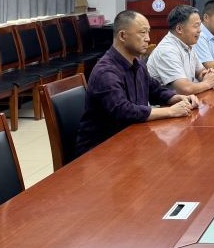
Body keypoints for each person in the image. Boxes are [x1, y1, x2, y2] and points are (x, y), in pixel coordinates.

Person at [75, 10, 198, 156]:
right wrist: (170, 111)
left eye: (148, 32)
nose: (148, 38)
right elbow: (123, 111)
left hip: (130, 140)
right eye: (142, 32)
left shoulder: (137, 63)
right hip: (100, 151)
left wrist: (177, 98)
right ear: (122, 36)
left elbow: (154, 90)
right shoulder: (106, 72)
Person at [147, 5, 214, 95]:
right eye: (196, 26)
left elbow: (200, 72)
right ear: (179, 29)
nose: (200, 30)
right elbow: (185, 89)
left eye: (200, 25)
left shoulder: (187, 43)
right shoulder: (167, 50)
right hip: (168, 103)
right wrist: (207, 83)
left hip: (186, 100)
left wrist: (210, 75)